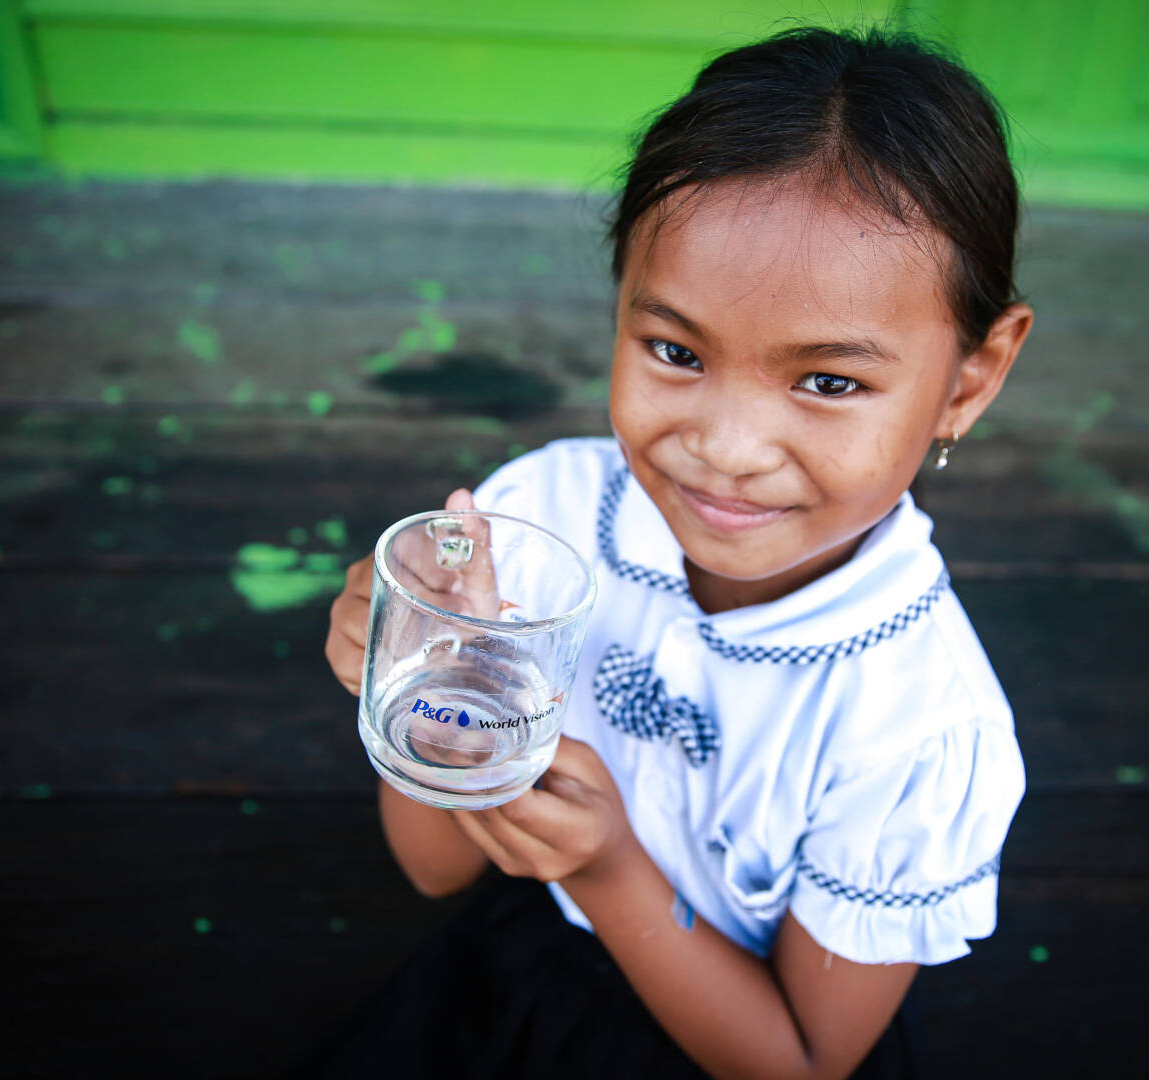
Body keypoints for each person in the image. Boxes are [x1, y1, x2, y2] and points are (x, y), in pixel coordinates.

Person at [316, 24, 1034, 1079]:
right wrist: (423, 677)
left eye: (828, 381)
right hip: (503, 976)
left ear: (969, 382)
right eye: (675, 351)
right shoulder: (542, 519)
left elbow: (799, 1060)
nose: (726, 450)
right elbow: (433, 873)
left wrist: (610, 870)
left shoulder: (921, 732)